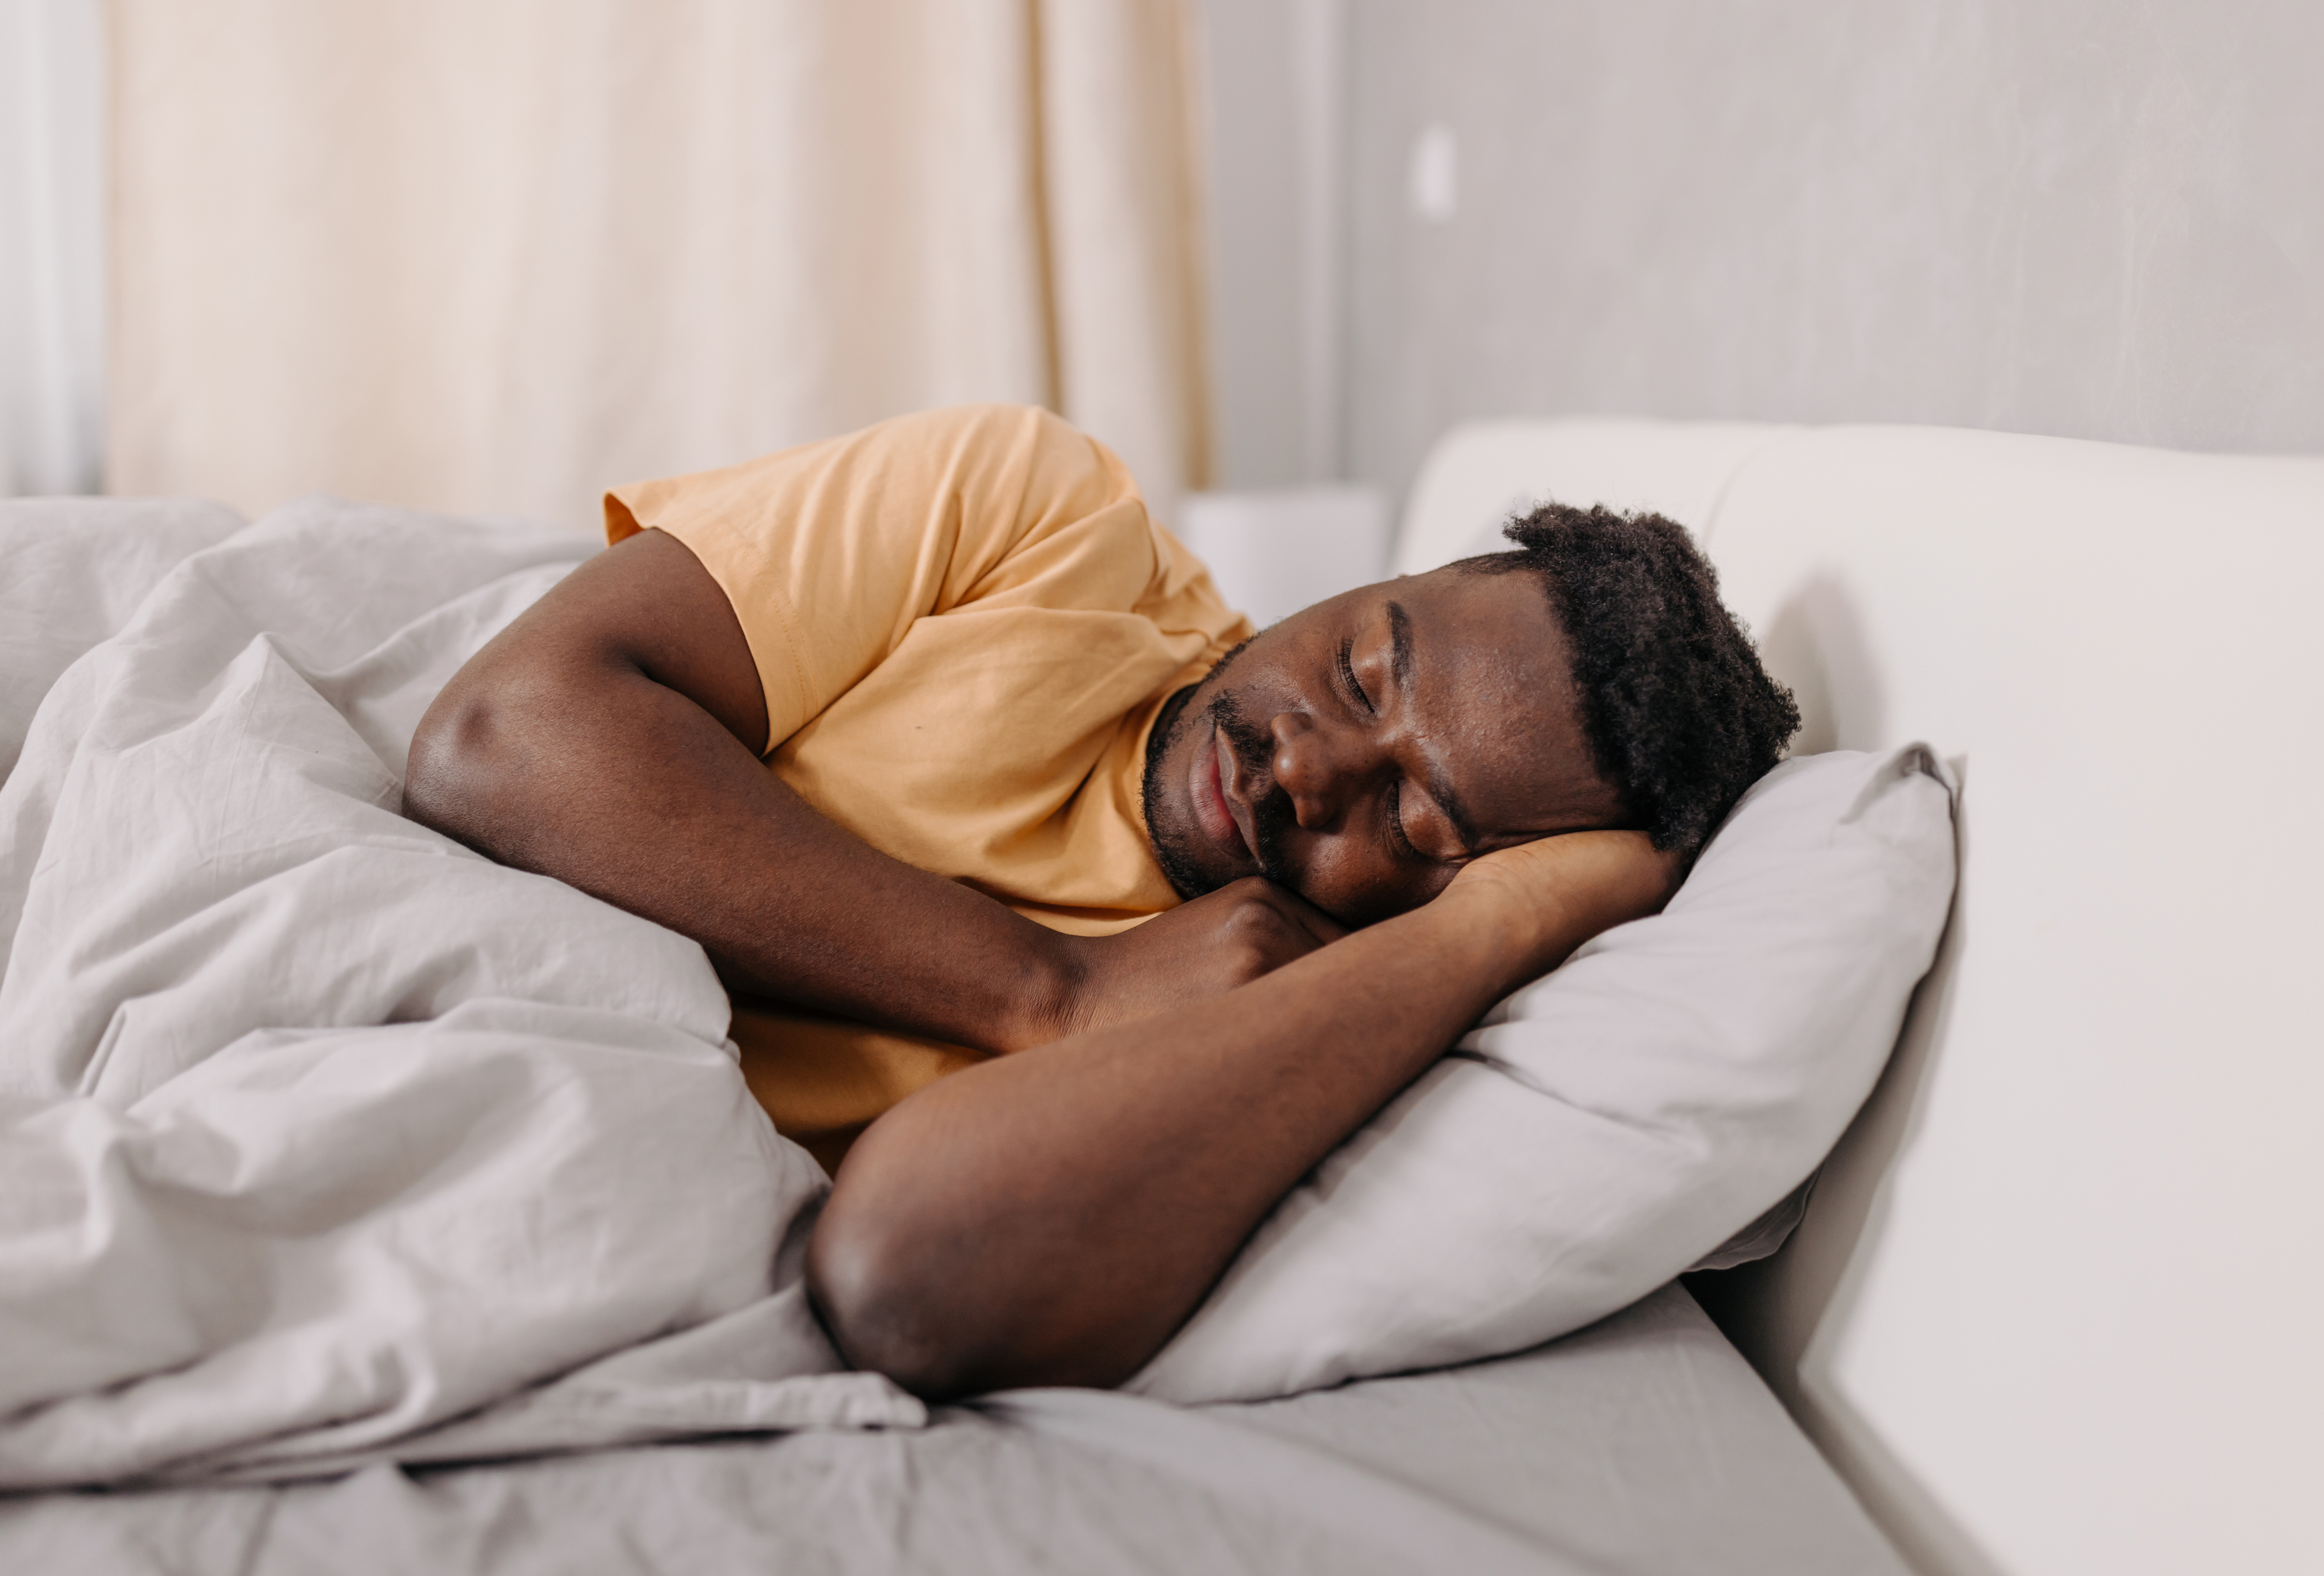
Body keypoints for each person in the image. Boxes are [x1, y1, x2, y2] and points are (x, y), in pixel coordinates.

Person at [404, 403, 1797, 1398]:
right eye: (1366, 669)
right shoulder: (1039, 516)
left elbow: (907, 1276)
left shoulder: (1292, 1004)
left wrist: (1487, 930)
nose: (1305, 765)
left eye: (1417, 821)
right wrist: (1049, 989)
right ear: (1380, 578)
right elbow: (501, 732)